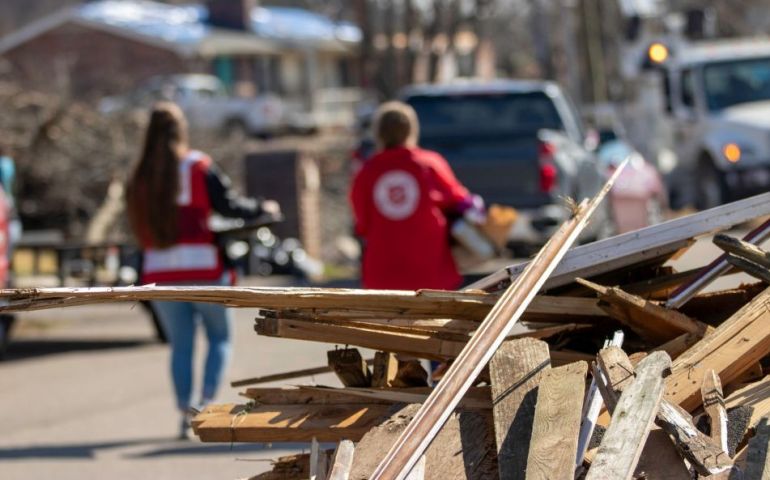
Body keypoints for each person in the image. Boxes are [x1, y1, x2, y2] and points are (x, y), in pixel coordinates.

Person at [125, 102, 279, 439]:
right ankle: (206, 403)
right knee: (219, 338)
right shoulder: (198, 166)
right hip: (205, 269)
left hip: (159, 274)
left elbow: (134, 225)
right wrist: (262, 208)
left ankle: (183, 410)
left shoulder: (139, 176)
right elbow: (231, 205)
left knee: (180, 347)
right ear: (181, 130)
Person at [349, 100, 484, 292]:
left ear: (378, 133)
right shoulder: (429, 164)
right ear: (412, 129)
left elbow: (362, 223)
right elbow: (460, 201)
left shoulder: (367, 171)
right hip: (431, 269)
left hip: (383, 273)